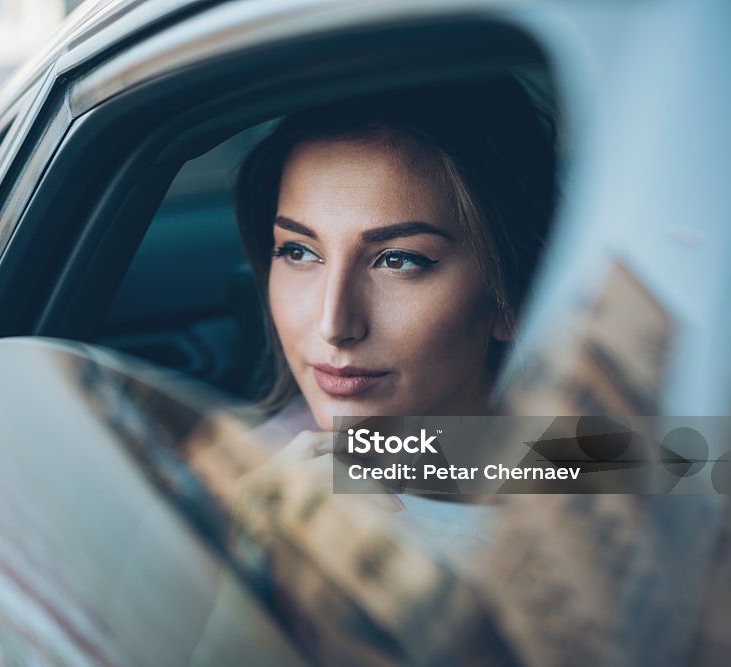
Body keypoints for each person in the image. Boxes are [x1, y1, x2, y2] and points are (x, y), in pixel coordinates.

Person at [235, 76, 557, 434]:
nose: (334, 326)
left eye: (398, 260)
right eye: (299, 251)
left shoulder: (600, 469)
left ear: (514, 291)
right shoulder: (230, 480)